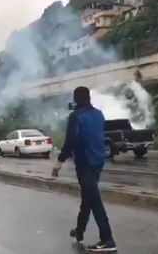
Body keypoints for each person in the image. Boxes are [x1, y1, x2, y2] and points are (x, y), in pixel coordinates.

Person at [52, 86, 116, 252]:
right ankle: (79, 231)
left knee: (94, 200)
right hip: (98, 162)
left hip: (85, 163)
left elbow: (71, 141)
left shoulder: (76, 116)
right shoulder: (98, 114)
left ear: (76, 99)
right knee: (88, 197)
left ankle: (107, 239)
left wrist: (59, 162)